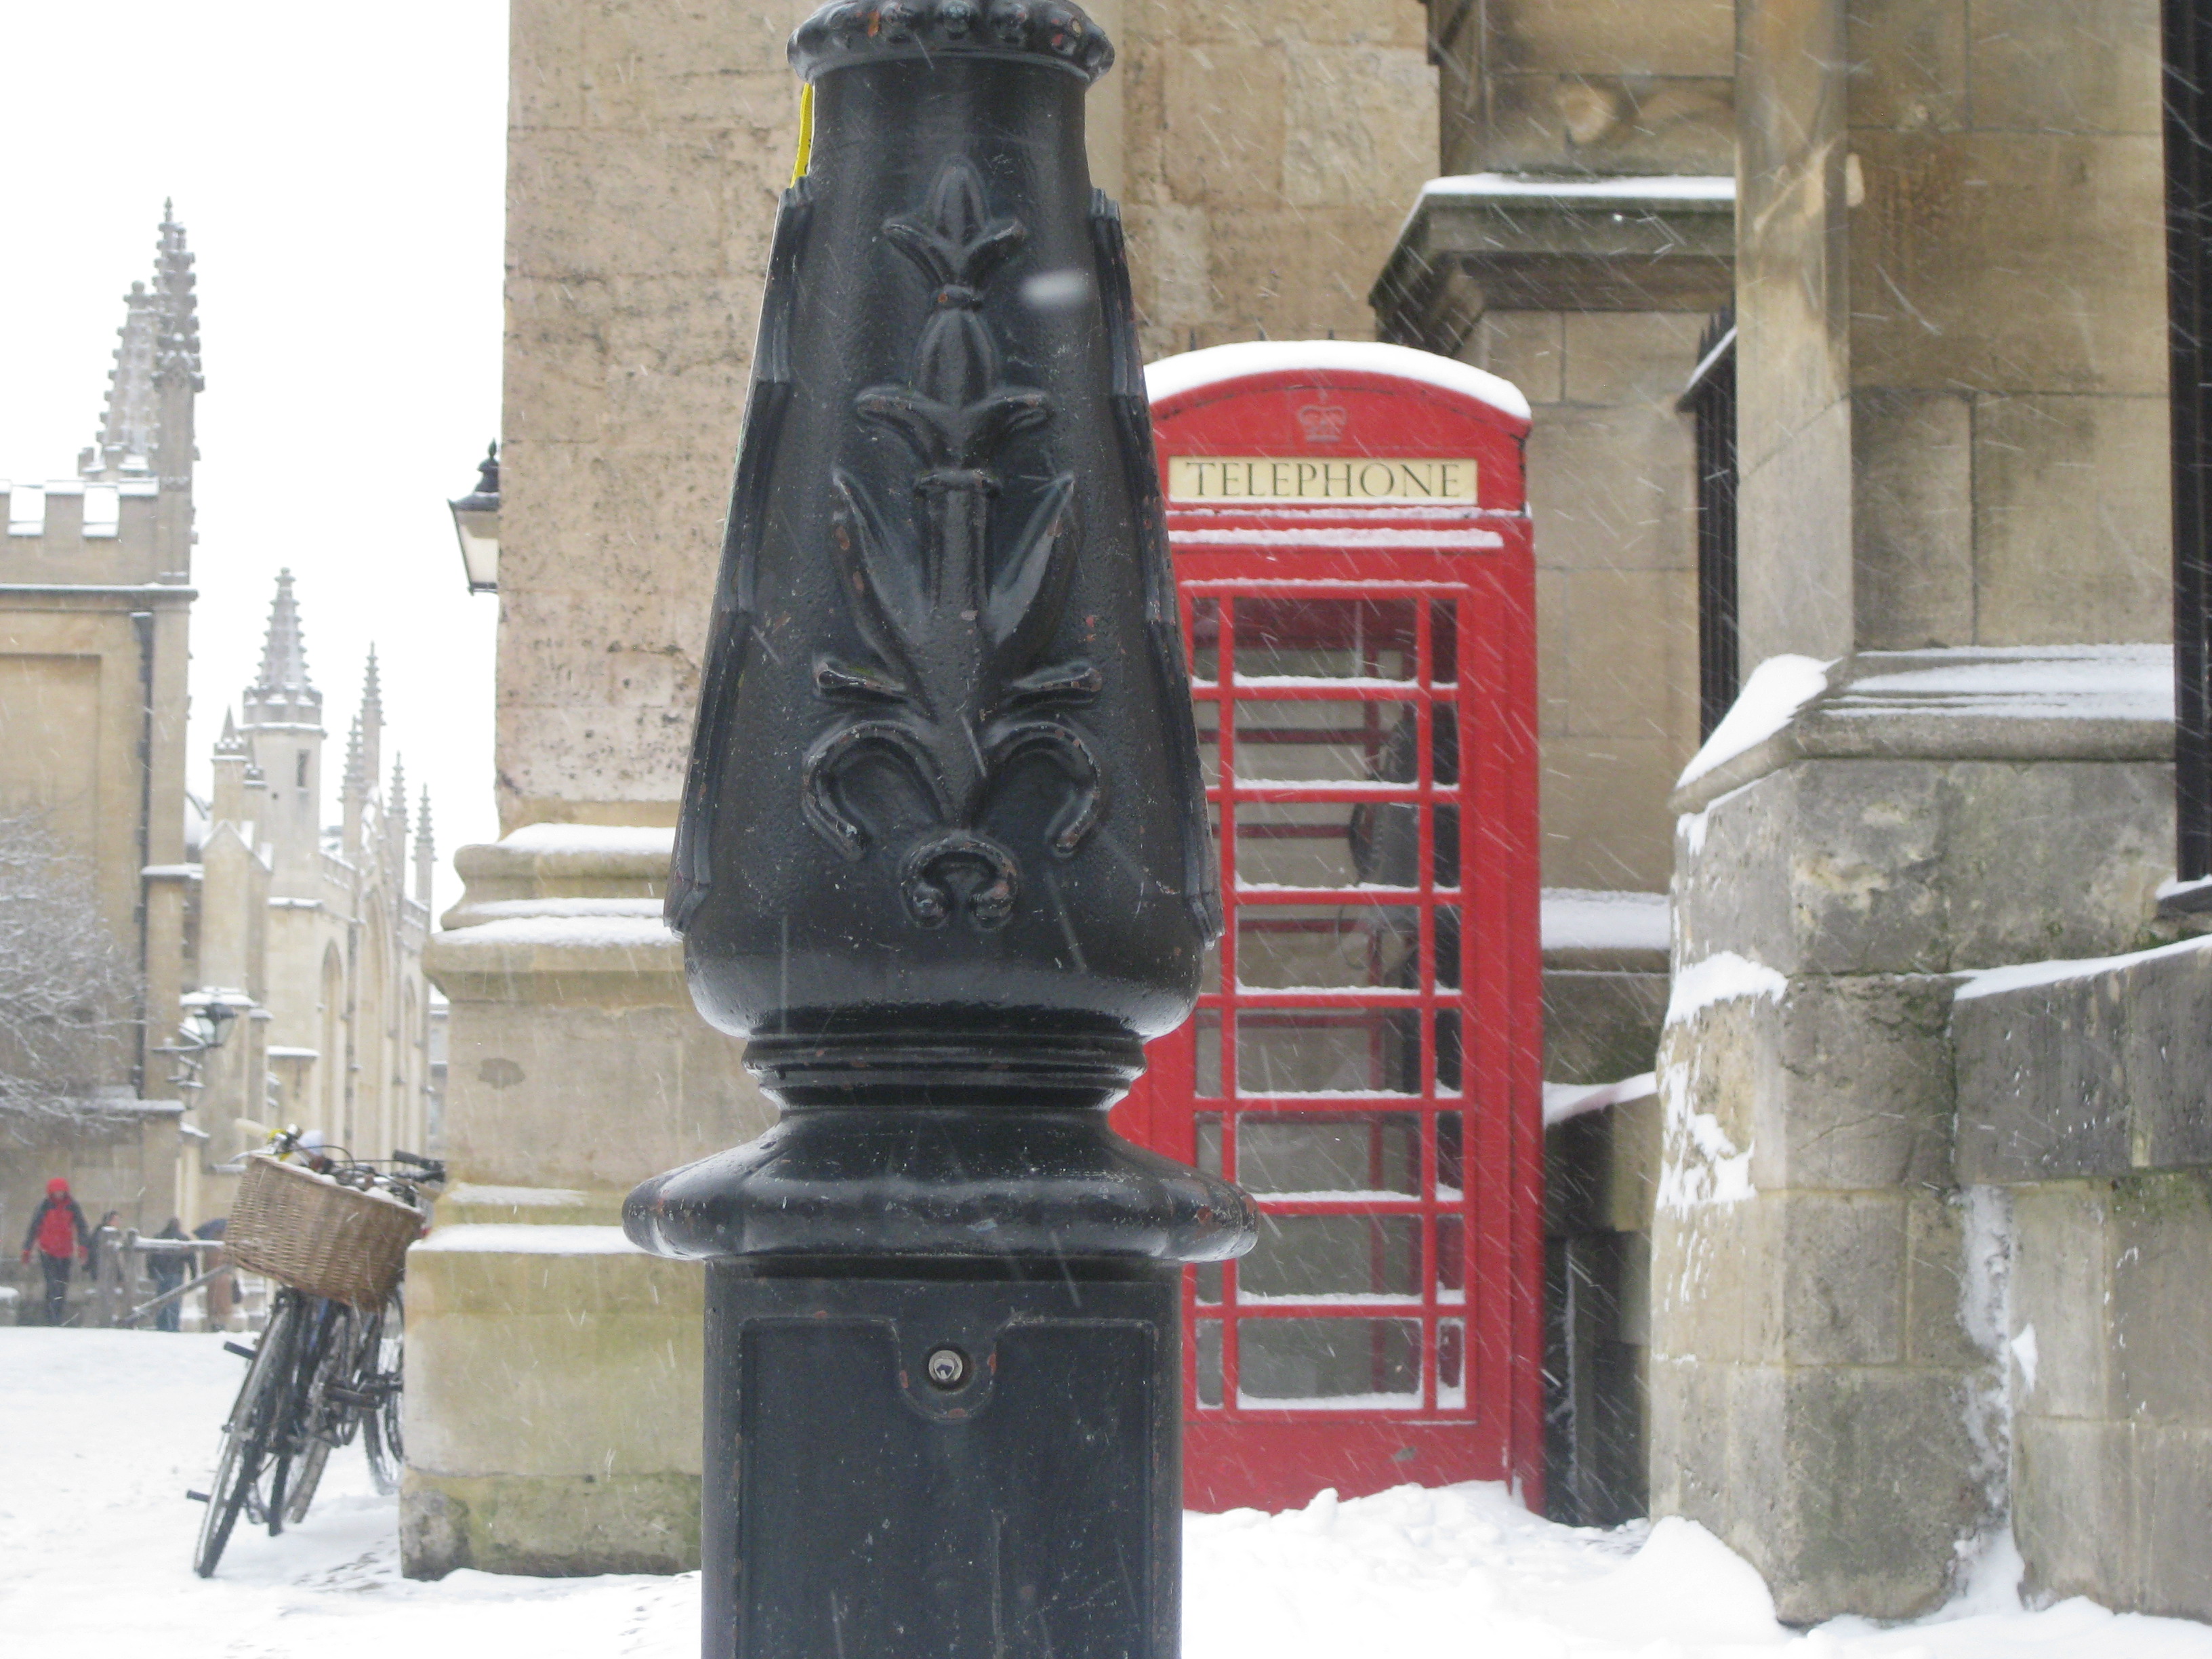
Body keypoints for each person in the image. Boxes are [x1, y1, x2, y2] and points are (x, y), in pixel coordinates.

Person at [19, 1177, 91, 1326]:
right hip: (47, 1251)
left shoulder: (72, 1206)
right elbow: (34, 1227)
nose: (59, 1194)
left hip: (65, 1252)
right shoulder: (44, 1206)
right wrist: (27, 1249)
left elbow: (82, 1227)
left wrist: (83, 1247)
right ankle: (52, 1317)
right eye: (57, 1192)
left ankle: (57, 1316)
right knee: (52, 1284)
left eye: (61, 1192)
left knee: (62, 1286)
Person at [148, 1217, 192, 1333]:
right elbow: (191, 1257)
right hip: (177, 1272)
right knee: (175, 1301)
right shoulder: (183, 1239)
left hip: (161, 1272)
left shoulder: (159, 1237)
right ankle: (173, 1325)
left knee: (161, 1299)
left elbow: (151, 1257)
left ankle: (161, 1324)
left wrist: (151, 1272)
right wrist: (194, 1274)